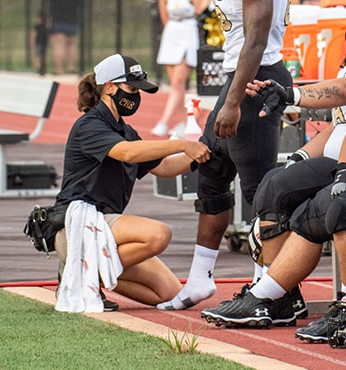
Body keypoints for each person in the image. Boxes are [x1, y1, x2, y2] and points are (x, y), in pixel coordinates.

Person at [156, 0, 293, 311]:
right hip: (239, 76)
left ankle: (267, 288)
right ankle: (199, 278)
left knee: (259, 192)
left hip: (256, 79)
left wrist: (232, 103)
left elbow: (256, 41)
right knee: (211, 169)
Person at [53, 53, 211, 312]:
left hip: (107, 233)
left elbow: (165, 167)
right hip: (79, 226)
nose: (136, 96)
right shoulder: (89, 126)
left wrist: (206, 151)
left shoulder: (125, 131)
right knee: (159, 234)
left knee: (170, 294)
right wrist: (182, 144)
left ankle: (89, 276)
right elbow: (126, 153)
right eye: (131, 89)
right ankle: (80, 273)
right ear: (109, 87)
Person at [201, 76, 346, 345]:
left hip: (342, 164)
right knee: (274, 186)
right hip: (337, 159)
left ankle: (341, 307)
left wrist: (290, 95)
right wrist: (299, 157)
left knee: (336, 206)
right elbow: (340, 121)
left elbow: (343, 90)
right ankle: (278, 297)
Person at [151, 0, 209, 139]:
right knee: (176, 86)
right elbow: (164, 16)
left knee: (178, 82)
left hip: (188, 32)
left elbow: (200, 10)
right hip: (171, 32)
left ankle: (164, 122)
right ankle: (185, 122)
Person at [48, 0, 80, 75]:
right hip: (73, 21)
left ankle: (59, 69)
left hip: (58, 21)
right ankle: (71, 67)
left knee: (59, 45)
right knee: (72, 45)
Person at [30, 10, 49, 75]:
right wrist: (32, 43)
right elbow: (33, 35)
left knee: (43, 56)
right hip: (38, 44)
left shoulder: (46, 26)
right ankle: (38, 68)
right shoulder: (37, 26)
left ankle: (43, 68)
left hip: (44, 44)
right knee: (37, 56)